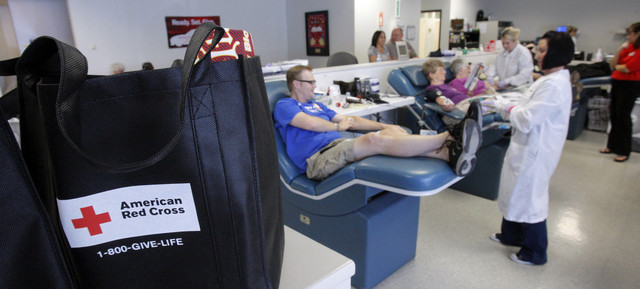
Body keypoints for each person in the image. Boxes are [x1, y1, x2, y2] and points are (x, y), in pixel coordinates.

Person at [273, 65, 482, 180]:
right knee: (373, 140)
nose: (314, 86)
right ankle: (448, 136)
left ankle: (448, 154)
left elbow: (350, 120)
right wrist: (337, 127)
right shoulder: (286, 105)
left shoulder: (319, 105)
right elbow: (310, 124)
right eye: (310, 82)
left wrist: (385, 126)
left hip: (338, 147)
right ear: (296, 84)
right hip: (318, 160)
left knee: (387, 134)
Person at [488, 31, 575, 265]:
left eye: (543, 50)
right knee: (514, 191)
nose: (537, 54)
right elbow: (526, 104)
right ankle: (511, 235)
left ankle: (535, 252)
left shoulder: (555, 85)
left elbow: (527, 118)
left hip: (535, 150)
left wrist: (505, 109)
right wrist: (502, 102)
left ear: (556, 53)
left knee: (530, 199)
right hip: (525, 146)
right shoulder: (548, 80)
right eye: (539, 49)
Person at [600, 22, 640, 162]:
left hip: (630, 85)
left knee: (623, 116)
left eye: (631, 33)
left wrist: (618, 67)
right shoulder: (627, 47)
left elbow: (628, 68)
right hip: (618, 82)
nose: (628, 36)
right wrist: (619, 50)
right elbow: (614, 65)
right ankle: (612, 146)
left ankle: (624, 150)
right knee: (614, 115)